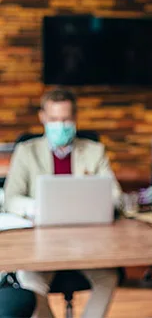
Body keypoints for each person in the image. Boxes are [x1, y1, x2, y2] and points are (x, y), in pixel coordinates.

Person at [4, 88, 122, 318]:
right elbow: (11, 198)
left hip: (86, 243)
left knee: (109, 277)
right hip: (39, 243)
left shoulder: (94, 151)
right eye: (54, 119)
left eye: (66, 119)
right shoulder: (26, 151)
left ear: (75, 119)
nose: (61, 125)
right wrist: (35, 208)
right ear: (43, 118)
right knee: (29, 279)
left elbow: (115, 196)